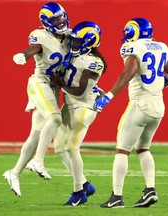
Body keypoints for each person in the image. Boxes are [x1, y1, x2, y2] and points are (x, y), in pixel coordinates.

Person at [93, 18, 168, 208]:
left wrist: (107, 97)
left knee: (122, 149)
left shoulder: (132, 48)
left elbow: (128, 74)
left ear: (132, 32)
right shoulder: (161, 47)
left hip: (140, 104)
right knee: (143, 148)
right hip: (158, 107)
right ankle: (150, 190)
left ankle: (116, 197)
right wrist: (167, 79)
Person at [3, 1, 71, 196]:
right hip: (39, 83)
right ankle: (38, 160)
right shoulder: (41, 36)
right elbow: (33, 48)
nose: (60, 21)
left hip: (53, 88)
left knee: (36, 134)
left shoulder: (69, 37)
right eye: (55, 19)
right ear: (46, 22)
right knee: (55, 118)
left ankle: (14, 173)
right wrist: (22, 55)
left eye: (61, 16)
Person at [52, 21, 108, 206]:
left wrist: (58, 83)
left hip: (83, 107)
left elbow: (80, 91)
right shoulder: (76, 54)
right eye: (74, 41)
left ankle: (78, 192)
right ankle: (84, 183)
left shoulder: (94, 62)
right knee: (59, 147)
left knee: (71, 147)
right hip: (69, 105)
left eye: (78, 42)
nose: (74, 45)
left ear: (90, 42)